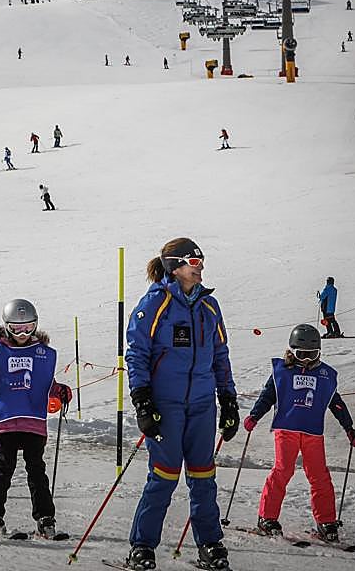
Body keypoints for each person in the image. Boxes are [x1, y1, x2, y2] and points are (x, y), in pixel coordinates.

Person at [124, 238, 237, 571]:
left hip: (202, 404)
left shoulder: (209, 306)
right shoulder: (155, 304)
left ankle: (210, 545)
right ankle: (142, 546)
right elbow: (137, 354)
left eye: (201, 259)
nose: (199, 265)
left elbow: (220, 355)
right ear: (174, 266)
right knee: (164, 476)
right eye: (192, 260)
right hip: (166, 404)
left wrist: (228, 399)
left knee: (204, 477)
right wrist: (143, 401)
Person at [245, 324, 355, 543]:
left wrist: (349, 428)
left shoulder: (325, 375)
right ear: (292, 351)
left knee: (319, 476)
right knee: (282, 471)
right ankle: (267, 518)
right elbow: (267, 397)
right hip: (286, 429)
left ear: (319, 352)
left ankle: (326, 521)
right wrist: (254, 416)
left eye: (312, 355)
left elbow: (336, 404)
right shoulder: (282, 372)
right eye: (302, 355)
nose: (307, 360)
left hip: (313, 433)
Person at [0, 300, 73, 537]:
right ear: (7, 327)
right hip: (6, 420)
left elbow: (45, 383)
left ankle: (45, 517)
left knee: (36, 469)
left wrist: (59, 390)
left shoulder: (43, 353)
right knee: (5, 467)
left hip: (33, 420)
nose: (22, 334)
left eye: (28, 328)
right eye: (17, 329)